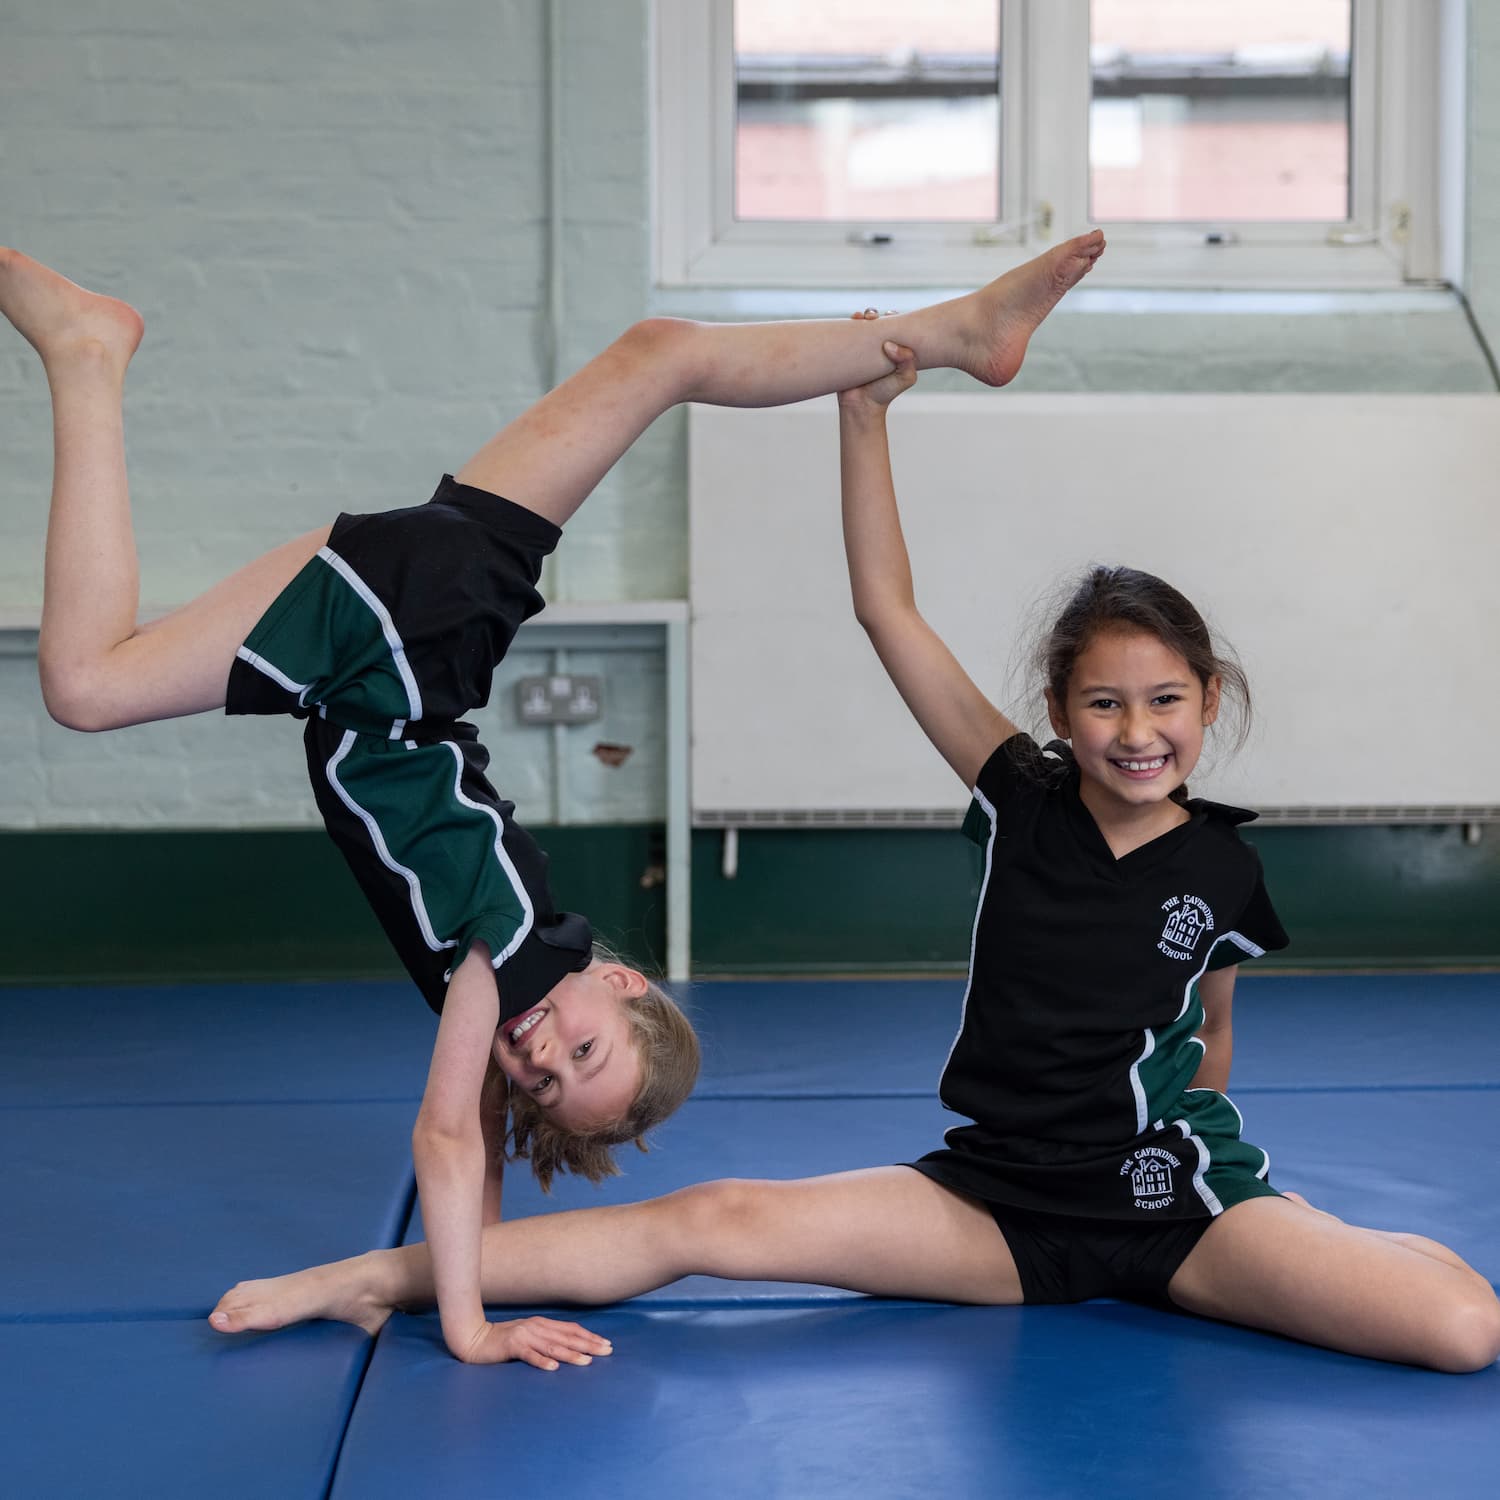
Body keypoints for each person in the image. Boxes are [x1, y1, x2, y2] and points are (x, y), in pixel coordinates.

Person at [206, 321, 1500, 1374]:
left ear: (1208, 703)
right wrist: (864, 415)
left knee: (1461, 1329)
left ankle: (1306, 1230)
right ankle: (372, 1275)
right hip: (994, 1205)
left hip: (1171, 1207)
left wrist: (1246, 1202)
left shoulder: (1226, 871)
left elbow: (1210, 1035)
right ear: (1061, 714)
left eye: (1165, 702)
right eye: (1105, 703)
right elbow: (889, 612)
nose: (1137, 730)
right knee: (713, 1220)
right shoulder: (1023, 795)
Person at [0, 229, 1108, 1366]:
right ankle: (87, 357)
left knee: (660, 355)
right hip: (385, 656)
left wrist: (465, 1265)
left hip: (448, 620)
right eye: (584, 1050)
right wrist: (472, 1329)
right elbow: (446, 1139)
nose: (541, 1057)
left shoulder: (519, 971)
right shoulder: (499, 956)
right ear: (620, 983)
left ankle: (951, 331)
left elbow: (479, 1137)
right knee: (87, 686)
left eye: (545, 1081)